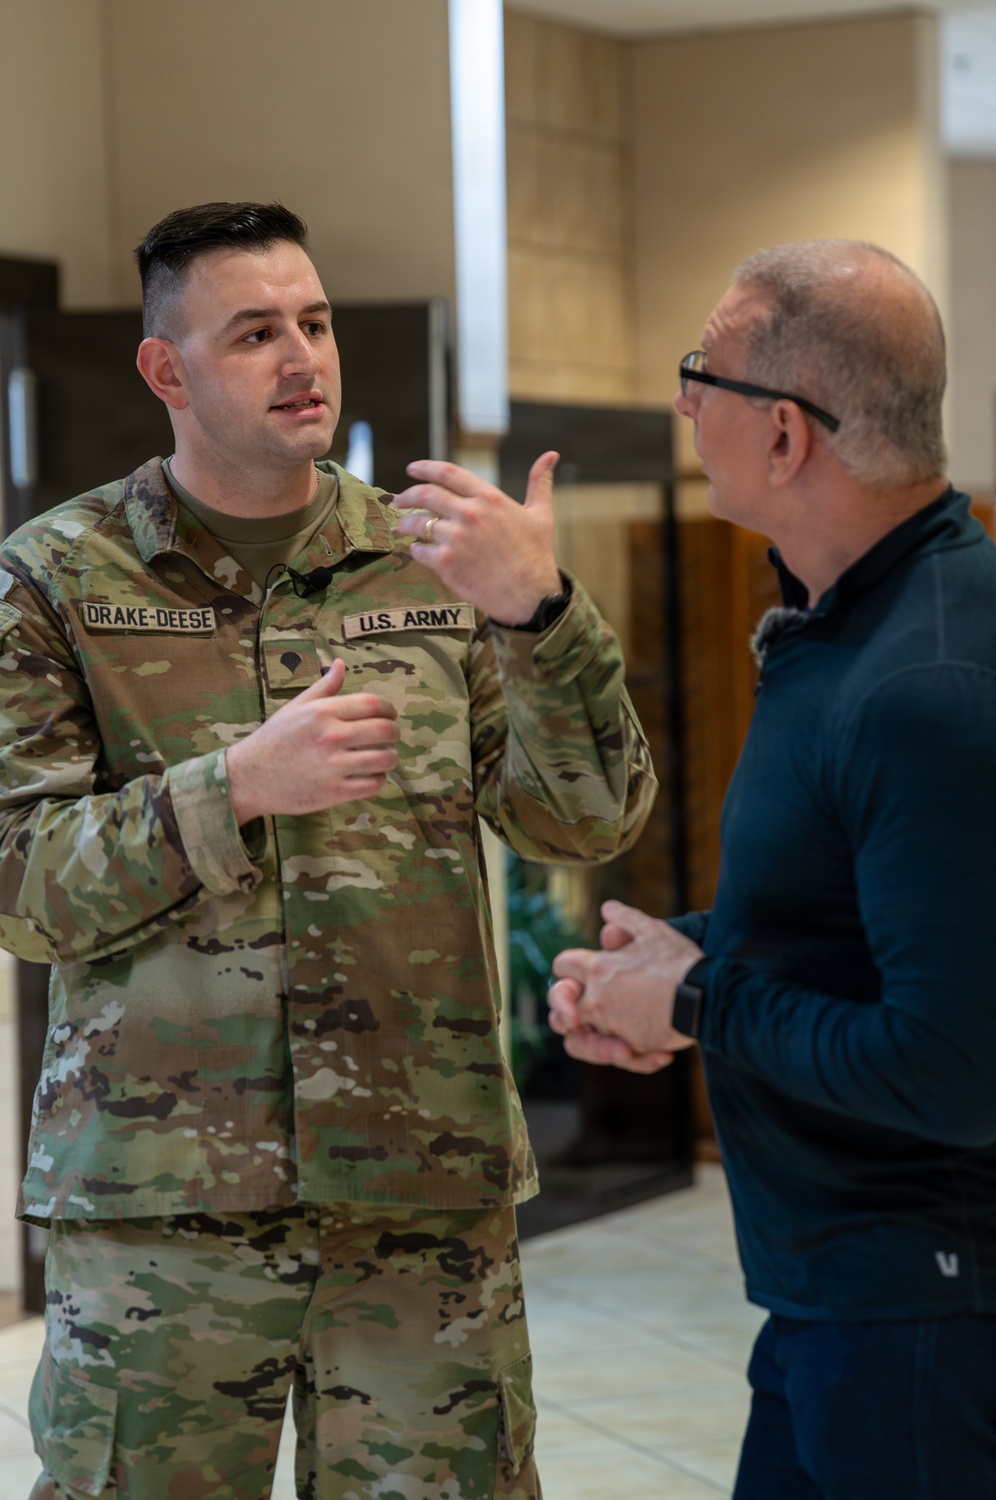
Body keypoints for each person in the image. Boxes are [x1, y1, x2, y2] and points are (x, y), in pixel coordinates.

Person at [0, 200, 656, 1500]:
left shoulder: (431, 565)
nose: (303, 356)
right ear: (165, 370)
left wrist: (543, 614)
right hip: (162, 1212)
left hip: (420, 1194)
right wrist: (231, 788)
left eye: (314, 321)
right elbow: (23, 885)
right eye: (255, 332)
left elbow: (584, 820)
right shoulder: (54, 577)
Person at [549, 239, 996, 1500]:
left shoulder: (929, 681)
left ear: (789, 435)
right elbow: (853, 915)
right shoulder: (841, 626)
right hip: (834, 1297)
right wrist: (669, 967)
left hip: (925, 1318)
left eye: (703, 374)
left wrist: (699, 1003)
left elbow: (955, 1072)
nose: (685, 405)